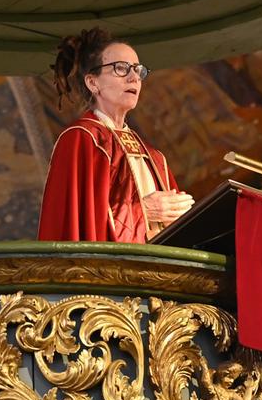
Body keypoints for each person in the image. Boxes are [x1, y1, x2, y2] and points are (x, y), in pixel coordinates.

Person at [38, 27, 193, 243]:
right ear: (93, 82)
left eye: (138, 70)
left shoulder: (155, 157)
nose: (134, 78)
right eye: (121, 68)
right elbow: (79, 228)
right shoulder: (81, 139)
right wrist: (144, 210)